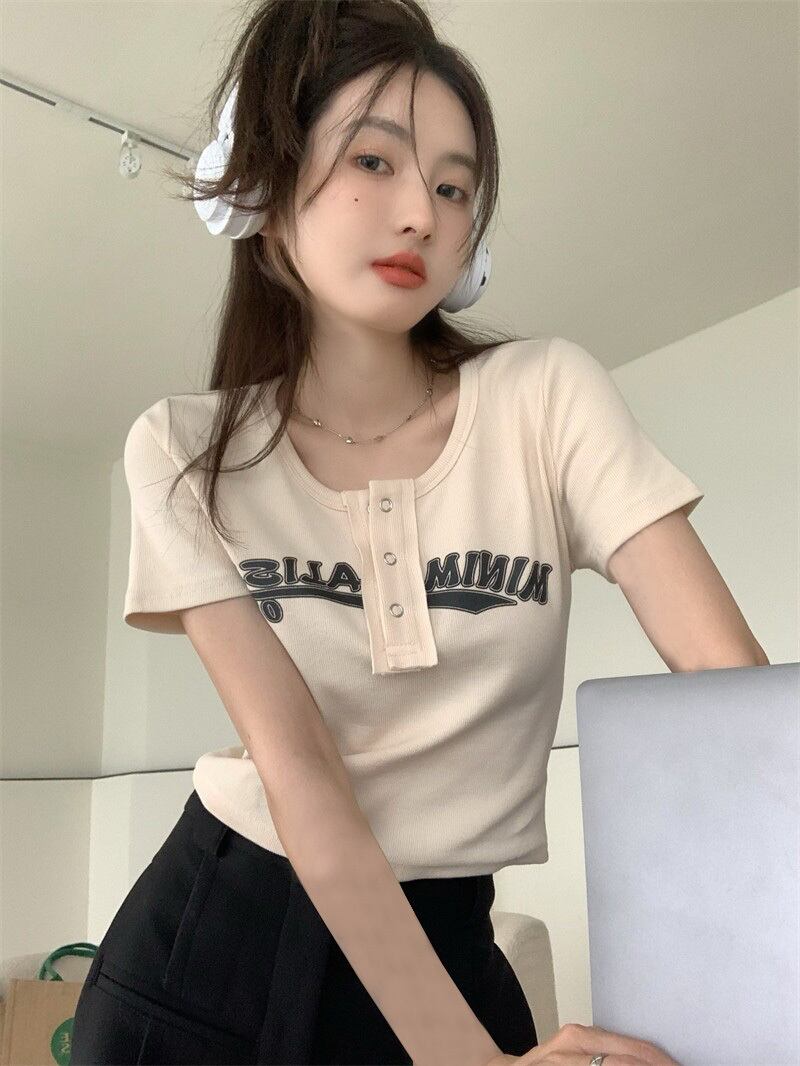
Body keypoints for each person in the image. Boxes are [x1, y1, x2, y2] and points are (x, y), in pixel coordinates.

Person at [71, 1, 697, 1063]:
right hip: (204, 966)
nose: (419, 214)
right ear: (268, 187)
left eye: (453, 188)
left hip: (445, 945)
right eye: (373, 160)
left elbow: (730, 694)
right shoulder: (183, 449)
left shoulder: (546, 398)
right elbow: (299, 768)